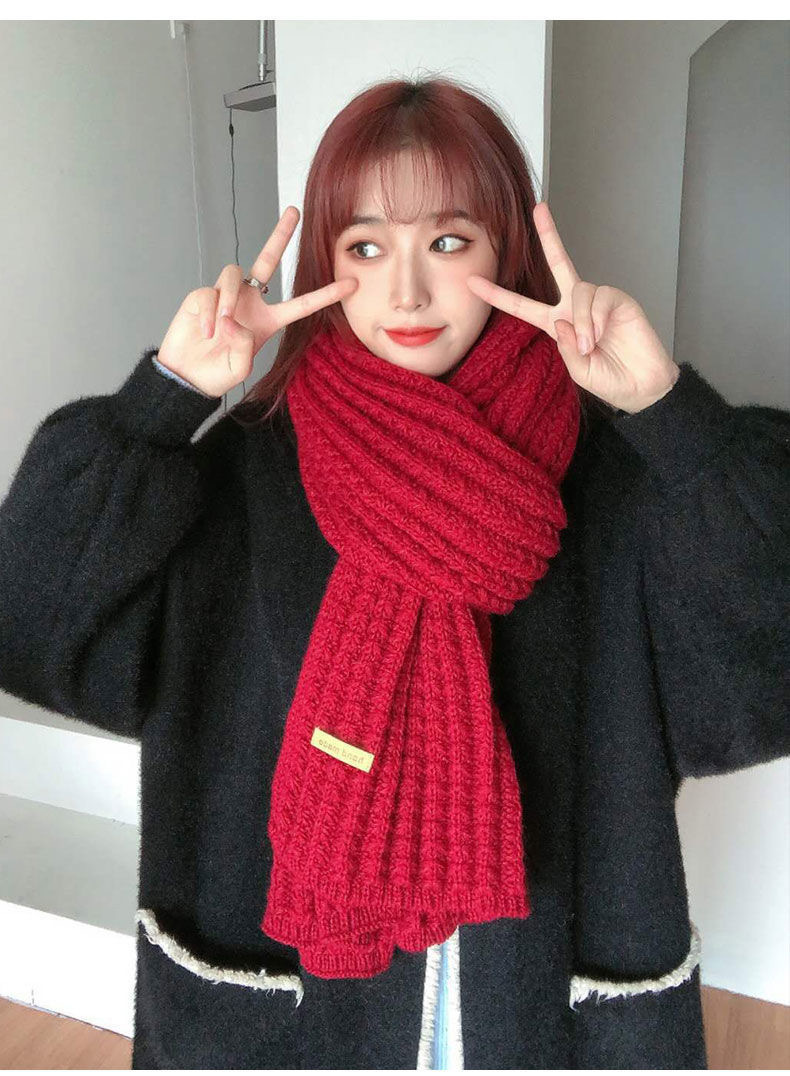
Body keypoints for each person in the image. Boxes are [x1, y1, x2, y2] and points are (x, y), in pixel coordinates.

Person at [0, 74, 787, 1071]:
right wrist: (163, 397)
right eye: (365, 248)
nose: (405, 292)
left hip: (540, 1006)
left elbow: (764, 671)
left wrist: (672, 413)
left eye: (448, 242)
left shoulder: (614, 478)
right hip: (291, 1012)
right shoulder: (245, 471)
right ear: (324, 262)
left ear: (506, 250)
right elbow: (36, 625)